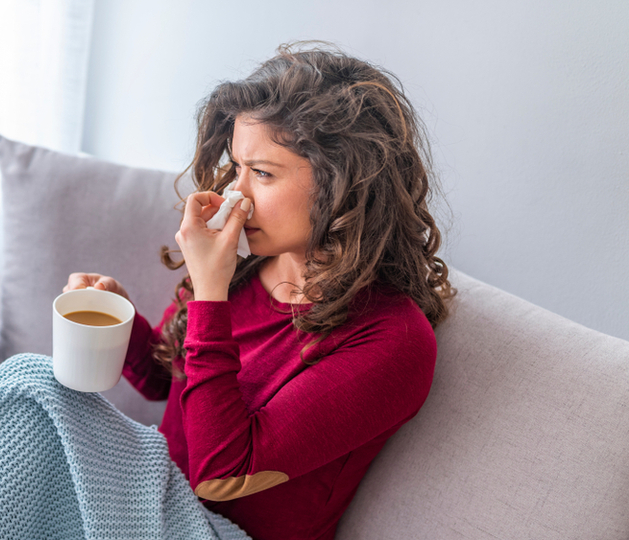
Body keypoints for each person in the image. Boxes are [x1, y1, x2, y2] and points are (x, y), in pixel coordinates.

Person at [63, 42, 454, 540]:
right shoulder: (248, 264)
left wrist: (209, 292)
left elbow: (221, 474)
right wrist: (115, 317)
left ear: (345, 185)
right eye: (237, 167)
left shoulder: (394, 340)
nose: (235, 195)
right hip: (151, 505)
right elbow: (166, 381)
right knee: (26, 390)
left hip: (212, 530)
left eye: (263, 173)